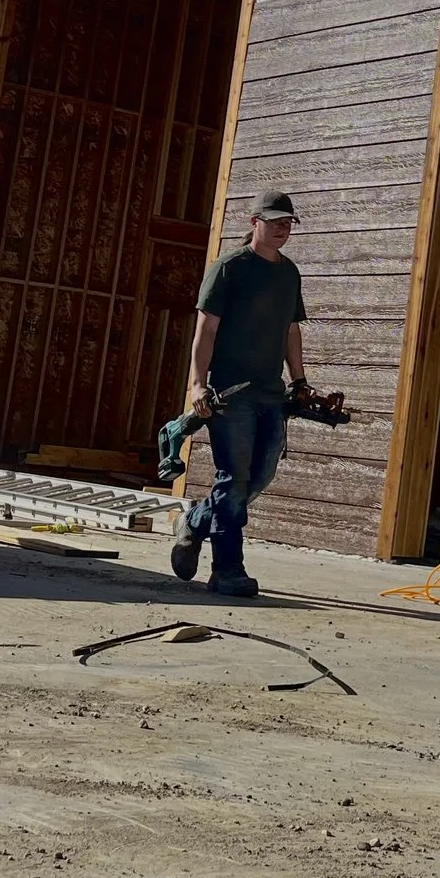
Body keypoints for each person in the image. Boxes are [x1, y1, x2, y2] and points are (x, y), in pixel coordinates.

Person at [169, 189, 309, 597]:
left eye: (288, 222)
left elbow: (291, 330)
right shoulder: (229, 268)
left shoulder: (289, 273)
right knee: (233, 481)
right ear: (254, 223)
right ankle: (227, 570)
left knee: (260, 475)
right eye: (275, 221)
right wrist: (197, 384)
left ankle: (194, 521)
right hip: (230, 394)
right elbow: (206, 329)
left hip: (271, 394)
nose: (282, 228)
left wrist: (298, 382)